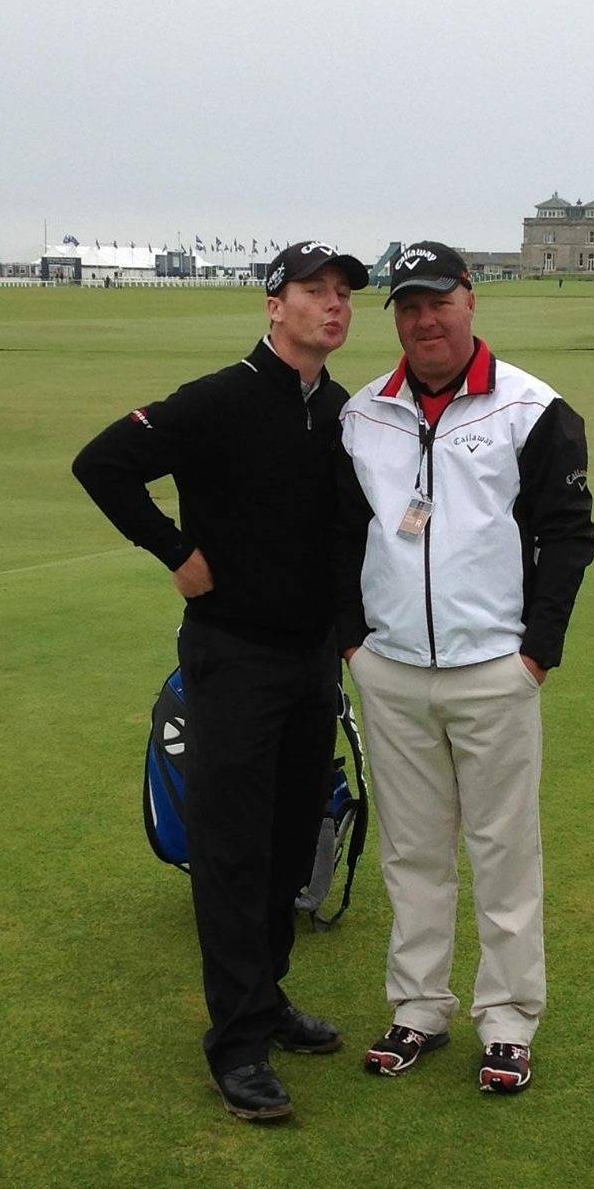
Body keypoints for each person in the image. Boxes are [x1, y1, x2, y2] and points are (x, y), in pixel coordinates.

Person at [72, 241, 369, 1123]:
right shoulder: (218, 400)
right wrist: (174, 552)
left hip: (310, 659)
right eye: (313, 291)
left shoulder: (341, 414)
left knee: (285, 844)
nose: (333, 305)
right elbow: (102, 464)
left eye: (344, 294)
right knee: (234, 851)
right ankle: (235, 1045)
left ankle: (266, 999)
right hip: (233, 656)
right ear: (272, 306)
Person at [337, 242, 594, 1096]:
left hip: (493, 670)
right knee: (411, 854)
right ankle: (418, 1008)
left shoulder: (531, 408)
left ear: (470, 300)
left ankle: (510, 1019)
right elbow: (339, 539)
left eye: (437, 300)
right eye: (408, 306)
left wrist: (535, 655)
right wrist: (354, 641)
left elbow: (567, 536)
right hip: (392, 669)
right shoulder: (364, 415)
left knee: (501, 852)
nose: (423, 320)